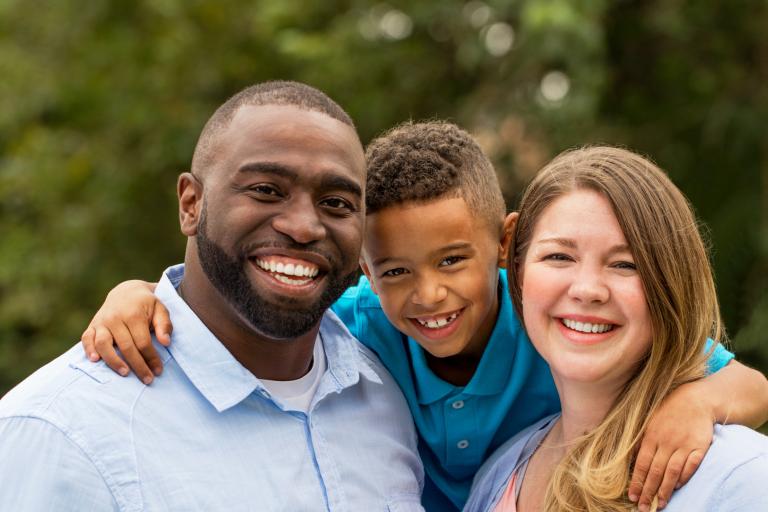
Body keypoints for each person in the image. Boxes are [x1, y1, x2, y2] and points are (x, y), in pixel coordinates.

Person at [79, 122, 768, 510]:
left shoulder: (549, 320)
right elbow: (247, 316)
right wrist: (143, 293)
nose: (428, 296)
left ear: (504, 246)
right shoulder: (357, 326)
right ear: (364, 272)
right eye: (396, 273)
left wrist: (699, 404)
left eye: (451, 263)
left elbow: (749, 385)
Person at [0, 81, 425, 510]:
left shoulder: (388, 391)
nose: (303, 227)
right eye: (266, 190)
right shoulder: (61, 432)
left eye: (336, 202)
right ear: (191, 204)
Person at [464, 146, 768, 512]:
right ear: (518, 271)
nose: (588, 289)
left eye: (625, 264)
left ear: (670, 286)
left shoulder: (741, 479)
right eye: (559, 256)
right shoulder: (499, 476)